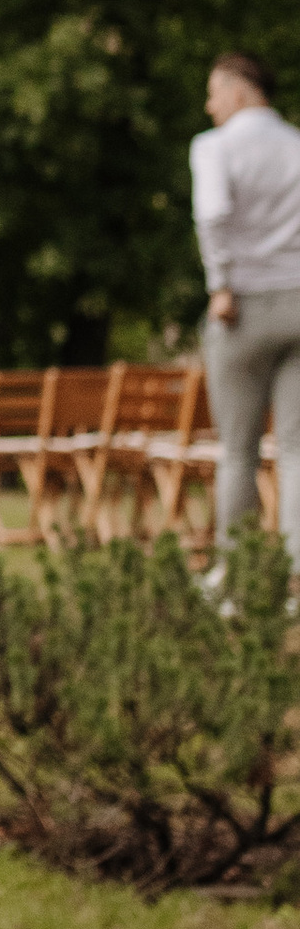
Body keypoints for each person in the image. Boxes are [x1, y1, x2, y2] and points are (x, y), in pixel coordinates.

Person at [192, 50, 300, 559]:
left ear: (238, 92)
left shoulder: (214, 148)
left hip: (244, 308)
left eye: (214, 94)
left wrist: (220, 284)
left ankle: (238, 575)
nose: (209, 106)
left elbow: (213, 216)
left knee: (238, 451)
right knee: (298, 451)